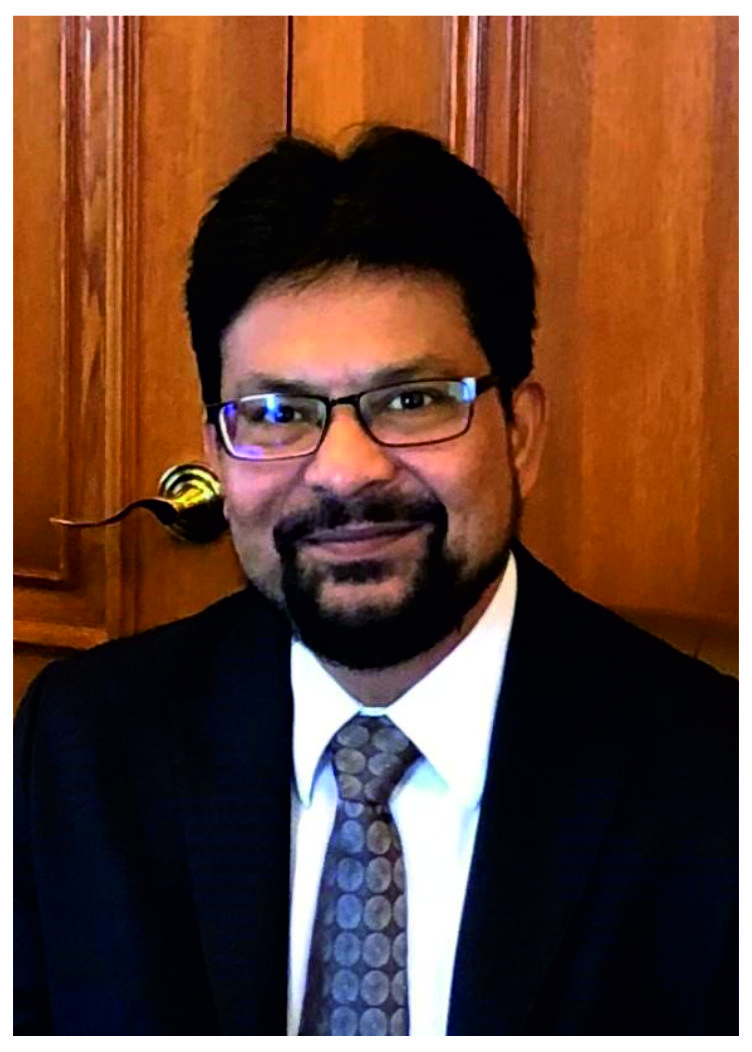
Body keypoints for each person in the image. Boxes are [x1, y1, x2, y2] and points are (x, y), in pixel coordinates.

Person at [14, 126, 737, 1036]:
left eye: (413, 401)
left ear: (520, 434)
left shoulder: (714, 781)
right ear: (219, 455)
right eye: (277, 412)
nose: (345, 471)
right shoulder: (81, 748)